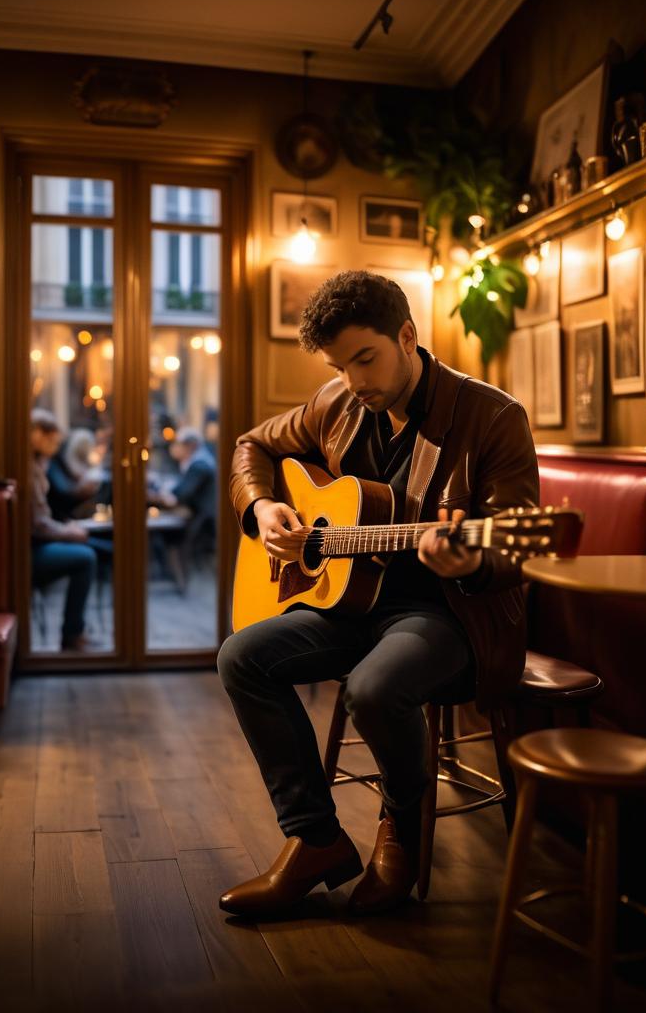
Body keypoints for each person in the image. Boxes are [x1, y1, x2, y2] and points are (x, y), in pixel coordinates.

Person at [217, 271, 538, 919]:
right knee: (241, 657)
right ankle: (315, 838)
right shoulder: (337, 404)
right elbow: (251, 445)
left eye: (366, 358)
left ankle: (400, 823)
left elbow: (518, 547)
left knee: (372, 687)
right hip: (351, 604)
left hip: (448, 617)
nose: (355, 380)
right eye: (341, 365)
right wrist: (264, 507)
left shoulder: (491, 416)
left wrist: (467, 560)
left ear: (408, 336)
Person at [29, 409, 99, 653]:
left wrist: (67, 530)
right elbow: (37, 525)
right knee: (86, 557)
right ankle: (72, 634)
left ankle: (75, 632)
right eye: (54, 439)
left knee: (89, 546)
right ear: (38, 435)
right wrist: (68, 532)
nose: (57, 445)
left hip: (38, 542)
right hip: (30, 552)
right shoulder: (29, 468)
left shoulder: (39, 464)